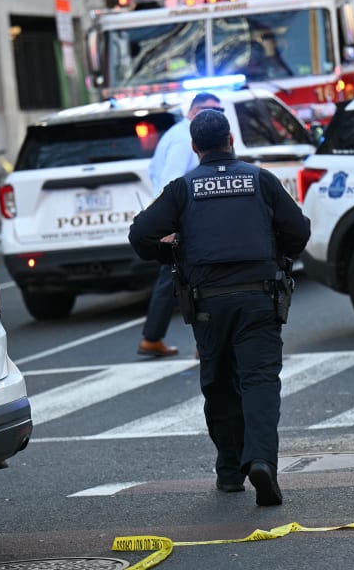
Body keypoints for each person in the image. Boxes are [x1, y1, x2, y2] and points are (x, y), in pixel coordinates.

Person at [128, 109, 310, 506]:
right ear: (232, 139)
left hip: (208, 305)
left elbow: (140, 235)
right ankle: (261, 461)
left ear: (194, 148)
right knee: (260, 382)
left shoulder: (183, 189)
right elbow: (299, 231)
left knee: (218, 384)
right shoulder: (261, 180)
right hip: (260, 299)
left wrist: (175, 253)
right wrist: (276, 250)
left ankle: (229, 472)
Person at [137, 92, 224, 358]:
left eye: (220, 109)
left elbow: (155, 172)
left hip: (181, 216)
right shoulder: (186, 138)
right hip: (185, 219)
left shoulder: (177, 133)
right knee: (197, 280)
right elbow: (171, 181)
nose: (217, 114)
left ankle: (154, 338)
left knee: (178, 279)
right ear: (194, 110)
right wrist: (171, 225)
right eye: (211, 109)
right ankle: (201, 342)